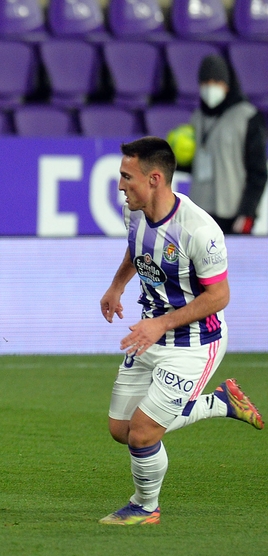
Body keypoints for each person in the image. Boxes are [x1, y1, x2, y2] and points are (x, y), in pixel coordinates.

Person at [98, 136, 263, 526]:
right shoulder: (134, 211)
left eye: (127, 177)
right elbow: (137, 250)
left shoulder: (200, 231)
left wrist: (163, 323)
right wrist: (117, 285)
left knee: (142, 434)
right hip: (150, 332)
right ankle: (220, 402)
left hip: (195, 342)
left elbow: (219, 296)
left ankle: (145, 506)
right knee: (119, 429)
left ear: (155, 178)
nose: (120, 186)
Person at [189, 54, 267, 235]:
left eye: (216, 81)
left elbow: (258, 172)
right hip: (201, 212)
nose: (210, 87)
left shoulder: (247, 117)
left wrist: (248, 212)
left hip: (233, 213)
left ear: (228, 84)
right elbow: (194, 163)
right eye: (205, 82)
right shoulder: (197, 118)